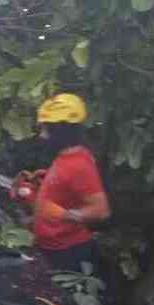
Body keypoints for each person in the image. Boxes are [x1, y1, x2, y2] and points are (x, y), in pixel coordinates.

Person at [28, 93, 111, 273]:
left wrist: (64, 215)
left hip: (69, 254)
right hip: (53, 249)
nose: (42, 136)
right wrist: (46, 181)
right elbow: (68, 185)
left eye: (45, 129)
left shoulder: (79, 165)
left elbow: (101, 210)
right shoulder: (67, 157)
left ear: (60, 130)